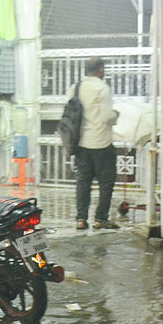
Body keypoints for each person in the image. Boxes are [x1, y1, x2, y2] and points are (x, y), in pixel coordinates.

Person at [74, 57, 120, 231]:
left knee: (83, 181)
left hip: (80, 142)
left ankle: (81, 219)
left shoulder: (76, 88)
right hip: (101, 142)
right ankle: (100, 218)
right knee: (106, 182)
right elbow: (107, 117)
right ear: (101, 70)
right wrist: (116, 114)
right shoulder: (102, 88)